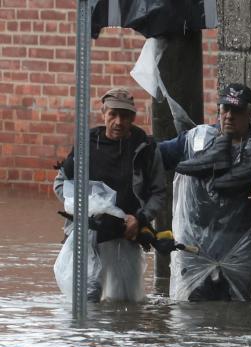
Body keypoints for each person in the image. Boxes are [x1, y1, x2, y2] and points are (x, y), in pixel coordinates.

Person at [158, 83, 251, 301]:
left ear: (250, 114)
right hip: (195, 244)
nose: (229, 116)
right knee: (192, 314)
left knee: (237, 315)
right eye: (225, 109)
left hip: (237, 246)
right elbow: (156, 157)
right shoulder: (197, 139)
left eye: (237, 111)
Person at [53, 88, 166, 302]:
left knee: (125, 304)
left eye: (124, 116)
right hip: (88, 236)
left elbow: (159, 193)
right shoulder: (86, 144)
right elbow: (61, 184)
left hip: (127, 236)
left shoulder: (146, 148)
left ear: (133, 117)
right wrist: (86, 207)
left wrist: (140, 219)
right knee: (87, 300)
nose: (118, 121)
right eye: (113, 114)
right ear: (103, 112)